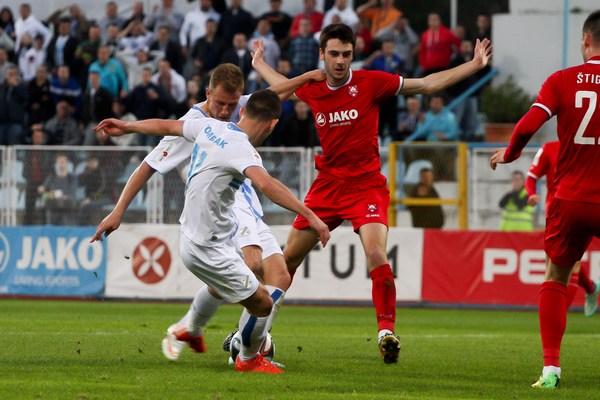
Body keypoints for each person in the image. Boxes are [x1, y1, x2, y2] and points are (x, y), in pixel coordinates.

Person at [252, 24, 492, 364]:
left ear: (354, 54)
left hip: (366, 186)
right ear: (322, 54)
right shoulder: (313, 87)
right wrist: (258, 63)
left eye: (346, 54)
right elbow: (280, 86)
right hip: (327, 187)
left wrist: (474, 64)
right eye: (334, 54)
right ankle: (255, 332)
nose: (340, 61)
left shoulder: (371, 82)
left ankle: (386, 332)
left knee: (376, 253)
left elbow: (426, 84)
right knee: (288, 260)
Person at [91, 63, 326, 365]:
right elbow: (149, 163)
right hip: (221, 210)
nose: (227, 111)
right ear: (208, 94)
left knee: (277, 275)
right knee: (252, 269)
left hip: (243, 201)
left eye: (234, 104)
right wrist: (118, 210)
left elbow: (269, 97)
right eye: (222, 104)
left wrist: (306, 77)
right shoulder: (195, 122)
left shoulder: (232, 113)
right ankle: (247, 347)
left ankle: (195, 327)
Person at [489, 10, 600, 389]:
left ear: (586, 40)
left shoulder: (562, 80)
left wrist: (510, 153)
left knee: (556, 277)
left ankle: (551, 370)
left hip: (569, 199)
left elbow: (527, 126)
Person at [526, 140, 600, 316]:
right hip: (555, 213)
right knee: (554, 267)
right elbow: (531, 176)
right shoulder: (548, 148)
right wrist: (531, 194)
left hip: (582, 207)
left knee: (571, 265)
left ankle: (557, 317)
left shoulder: (588, 146)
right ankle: (590, 287)